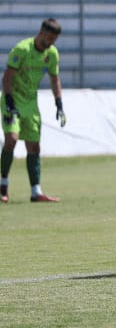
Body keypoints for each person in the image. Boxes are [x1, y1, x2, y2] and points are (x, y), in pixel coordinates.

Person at [1, 18, 66, 203]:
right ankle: (3, 185)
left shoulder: (52, 54)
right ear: (42, 33)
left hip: (30, 104)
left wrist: (59, 103)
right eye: (50, 38)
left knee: (34, 146)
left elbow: (55, 79)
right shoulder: (22, 49)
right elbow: (7, 78)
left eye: (54, 40)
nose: (51, 43)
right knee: (11, 140)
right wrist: (9, 102)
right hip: (12, 100)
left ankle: (36, 192)